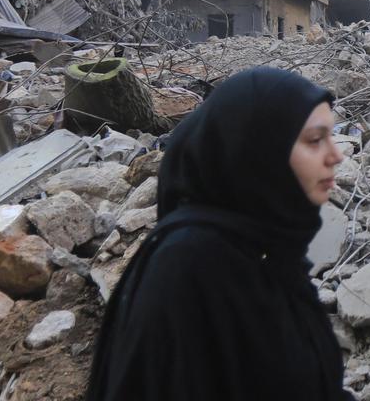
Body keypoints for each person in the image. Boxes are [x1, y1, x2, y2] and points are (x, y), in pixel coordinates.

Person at [86, 68, 352, 401]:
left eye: (332, 135)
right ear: (259, 151)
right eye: (315, 140)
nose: (336, 155)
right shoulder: (189, 267)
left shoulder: (270, 251)